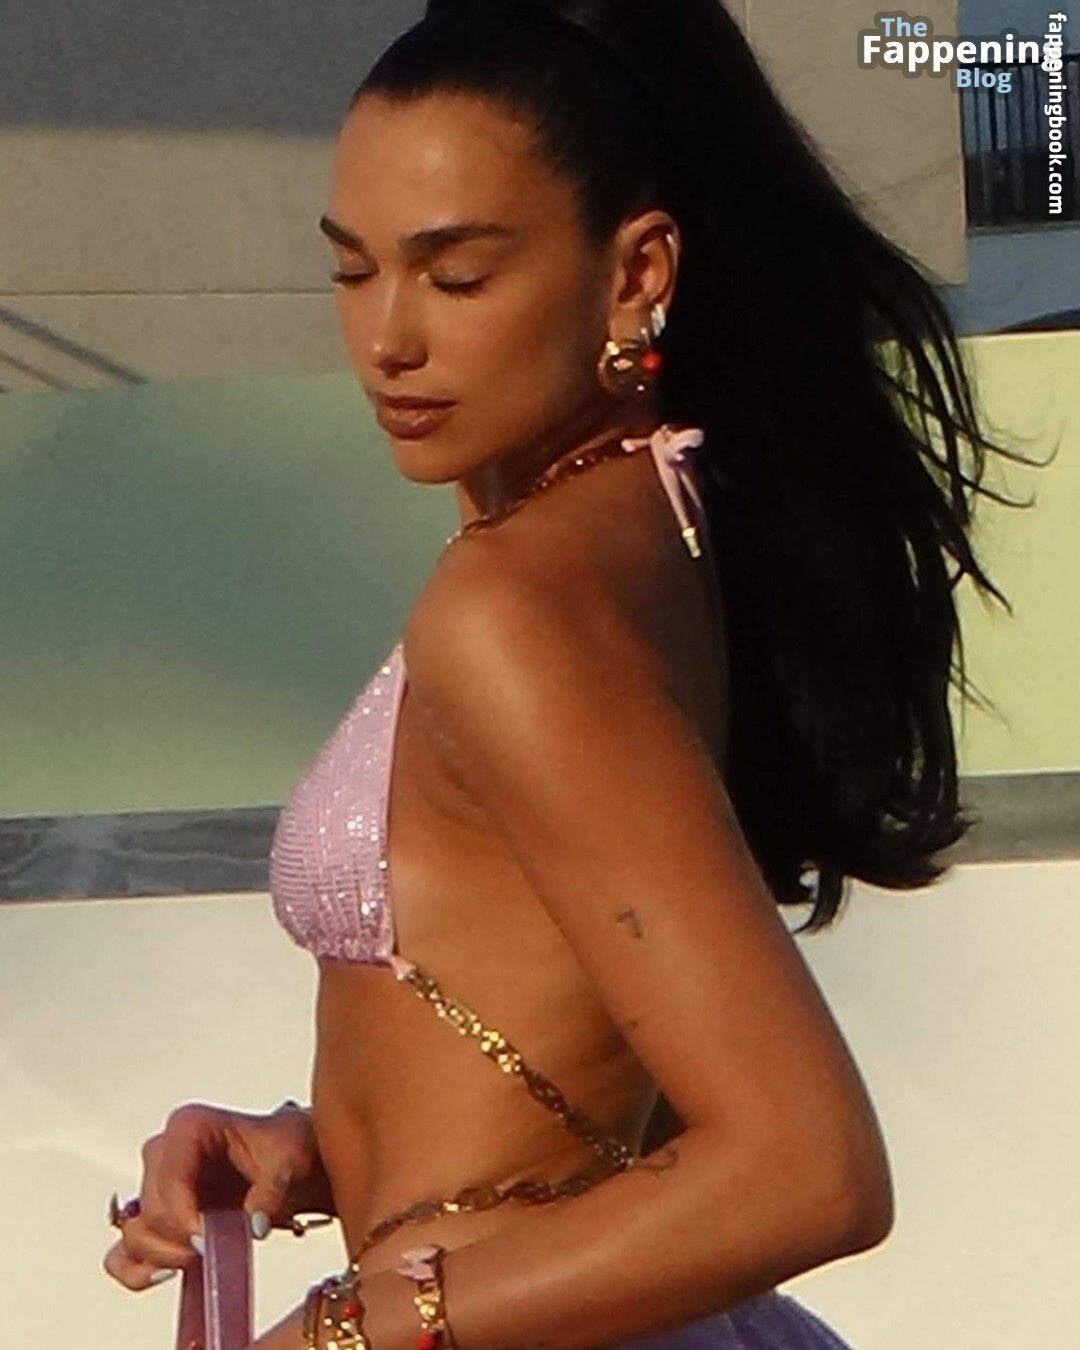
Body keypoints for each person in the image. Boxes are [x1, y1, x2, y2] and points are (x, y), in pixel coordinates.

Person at [103, 1, 1034, 1345]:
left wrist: (349, 1334)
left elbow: (810, 1166)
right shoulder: (659, 523)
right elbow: (574, 1039)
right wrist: (318, 1150)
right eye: (353, 269)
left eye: (457, 276)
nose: (388, 338)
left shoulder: (515, 603)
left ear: (637, 272)